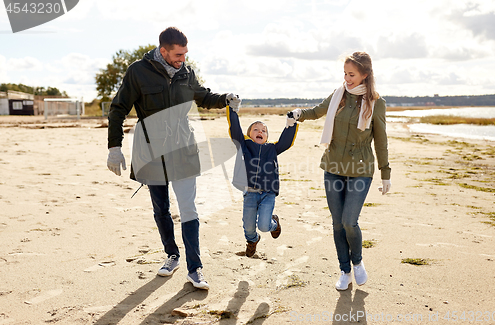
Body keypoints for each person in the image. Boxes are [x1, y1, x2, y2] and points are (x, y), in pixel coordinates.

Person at [106, 26, 241, 290]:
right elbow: (118, 108)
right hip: (151, 152)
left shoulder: (186, 72)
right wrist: (114, 147)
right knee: (161, 208)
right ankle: (172, 255)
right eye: (178, 55)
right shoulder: (138, 71)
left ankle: (195, 268)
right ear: (163, 50)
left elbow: (202, 96)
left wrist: (225, 99)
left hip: (184, 149)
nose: (183, 59)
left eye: (185, 54)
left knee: (189, 209)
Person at [289, 51, 391, 290]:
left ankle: (357, 262)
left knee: (349, 221)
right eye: (345, 73)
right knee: (337, 223)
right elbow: (316, 111)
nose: (347, 78)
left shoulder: (377, 102)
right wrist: (298, 115)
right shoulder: (338, 95)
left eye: (352, 74)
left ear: (365, 74)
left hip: (360, 169)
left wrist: (385, 173)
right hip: (333, 166)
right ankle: (344, 270)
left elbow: (381, 140)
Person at [227, 103, 298, 257]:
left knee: (264, 226)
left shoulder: (272, 148)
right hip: (250, 193)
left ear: (267, 136)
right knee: (249, 227)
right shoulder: (244, 146)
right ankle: (253, 240)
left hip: (268, 193)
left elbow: (286, 142)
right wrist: (232, 110)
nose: (260, 131)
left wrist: (291, 124)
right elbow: (235, 131)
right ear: (249, 134)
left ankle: (274, 223)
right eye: (256, 129)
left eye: (264, 130)